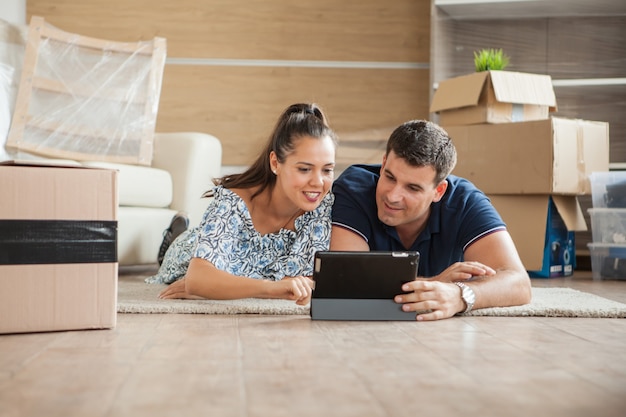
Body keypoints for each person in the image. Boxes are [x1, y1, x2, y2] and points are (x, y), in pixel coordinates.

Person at [330, 119, 532, 321]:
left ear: (439, 191)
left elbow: (519, 283)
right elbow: (344, 279)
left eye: (412, 188)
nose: (392, 196)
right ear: (383, 165)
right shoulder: (354, 188)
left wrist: (459, 295)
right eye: (390, 177)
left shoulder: (465, 201)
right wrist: (435, 282)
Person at [147, 103, 338, 306]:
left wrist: (224, 289)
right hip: (188, 252)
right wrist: (273, 288)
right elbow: (197, 279)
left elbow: (316, 281)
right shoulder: (233, 202)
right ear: (275, 163)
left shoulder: (324, 208)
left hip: (230, 266)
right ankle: (173, 236)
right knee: (174, 253)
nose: (318, 182)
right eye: (305, 169)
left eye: (327, 170)